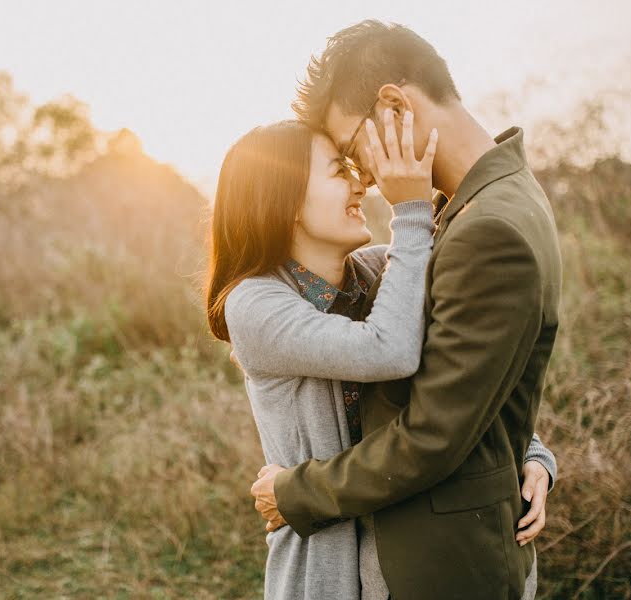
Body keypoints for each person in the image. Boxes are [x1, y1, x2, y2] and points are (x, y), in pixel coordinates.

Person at [249, 20, 563, 600]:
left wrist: (295, 493)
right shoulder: (481, 204)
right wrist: (533, 453)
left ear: (393, 105)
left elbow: (435, 434)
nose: (361, 178)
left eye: (351, 151)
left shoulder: (484, 230)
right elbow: (476, 377)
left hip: (441, 566)